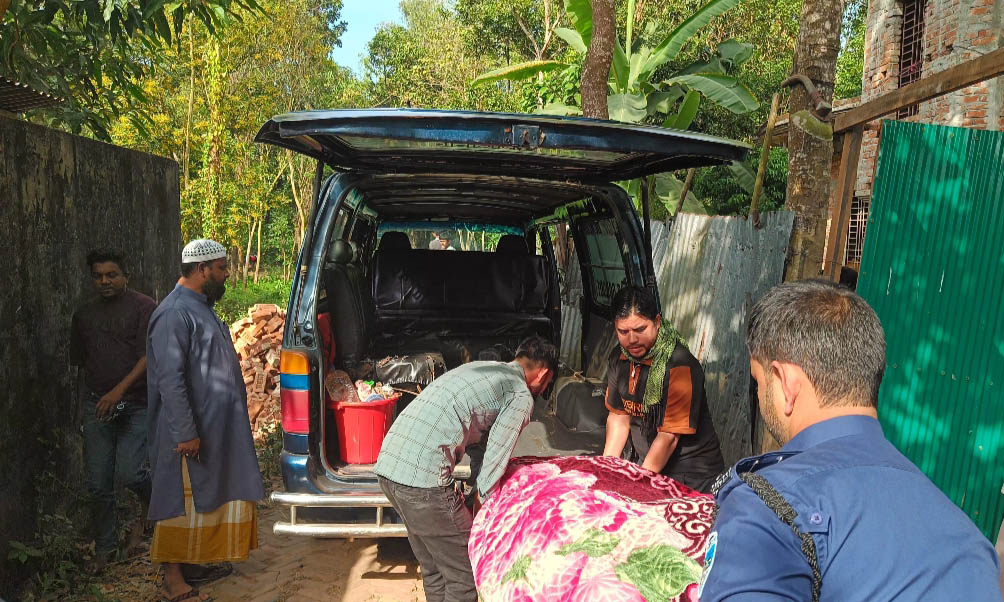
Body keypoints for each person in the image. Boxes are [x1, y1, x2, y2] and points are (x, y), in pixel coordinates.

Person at [699, 280, 1002, 601]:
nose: (760, 397)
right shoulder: (968, 537)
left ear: (785, 384)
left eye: (759, 382)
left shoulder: (767, 508)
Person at [374, 335, 557, 602]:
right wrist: (482, 514)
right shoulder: (519, 394)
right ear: (543, 375)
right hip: (423, 482)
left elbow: (479, 440)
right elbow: (495, 460)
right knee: (466, 577)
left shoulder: (479, 370)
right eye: (548, 383)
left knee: (435, 569)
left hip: (389, 468)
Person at [146, 239, 265, 602]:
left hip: (216, 428)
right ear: (202, 270)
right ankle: (173, 578)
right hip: (189, 433)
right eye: (222, 268)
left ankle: (195, 562)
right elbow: (170, 377)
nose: (227, 274)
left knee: (206, 499)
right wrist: (185, 431)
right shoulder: (173, 313)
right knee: (178, 504)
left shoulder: (200, 307)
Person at [70, 249, 156, 573]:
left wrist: (117, 392)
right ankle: (106, 549)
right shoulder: (84, 315)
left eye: (111, 275)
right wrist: (82, 409)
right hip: (98, 405)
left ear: (125, 276)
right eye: (97, 276)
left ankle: (156, 503)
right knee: (97, 483)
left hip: (133, 402)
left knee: (131, 472)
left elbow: (147, 358)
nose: (104, 281)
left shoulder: (144, 308)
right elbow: (79, 365)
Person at [602, 286, 724, 493]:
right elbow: (618, 418)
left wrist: (638, 486)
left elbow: (669, 437)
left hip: (690, 473)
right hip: (648, 462)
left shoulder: (680, 365)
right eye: (623, 332)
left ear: (657, 322)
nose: (631, 340)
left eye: (640, 330)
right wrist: (605, 472)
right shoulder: (619, 357)